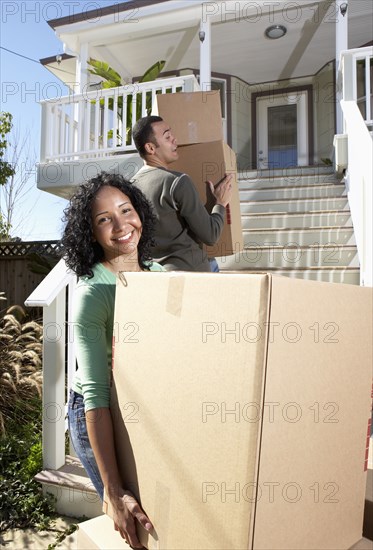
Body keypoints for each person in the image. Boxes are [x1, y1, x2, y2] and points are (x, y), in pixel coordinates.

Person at [61, 172, 164, 547]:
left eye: (126, 210)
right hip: (96, 411)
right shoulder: (94, 295)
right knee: (133, 518)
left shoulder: (159, 275)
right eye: (104, 219)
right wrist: (114, 489)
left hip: (137, 404)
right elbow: (95, 395)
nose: (121, 225)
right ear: (90, 233)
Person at [131, 115, 233, 272]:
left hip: (155, 275)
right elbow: (210, 235)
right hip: (191, 274)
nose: (174, 139)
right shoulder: (177, 181)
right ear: (151, 148)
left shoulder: (130, 188)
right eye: (167, 136)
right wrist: (220, 203)